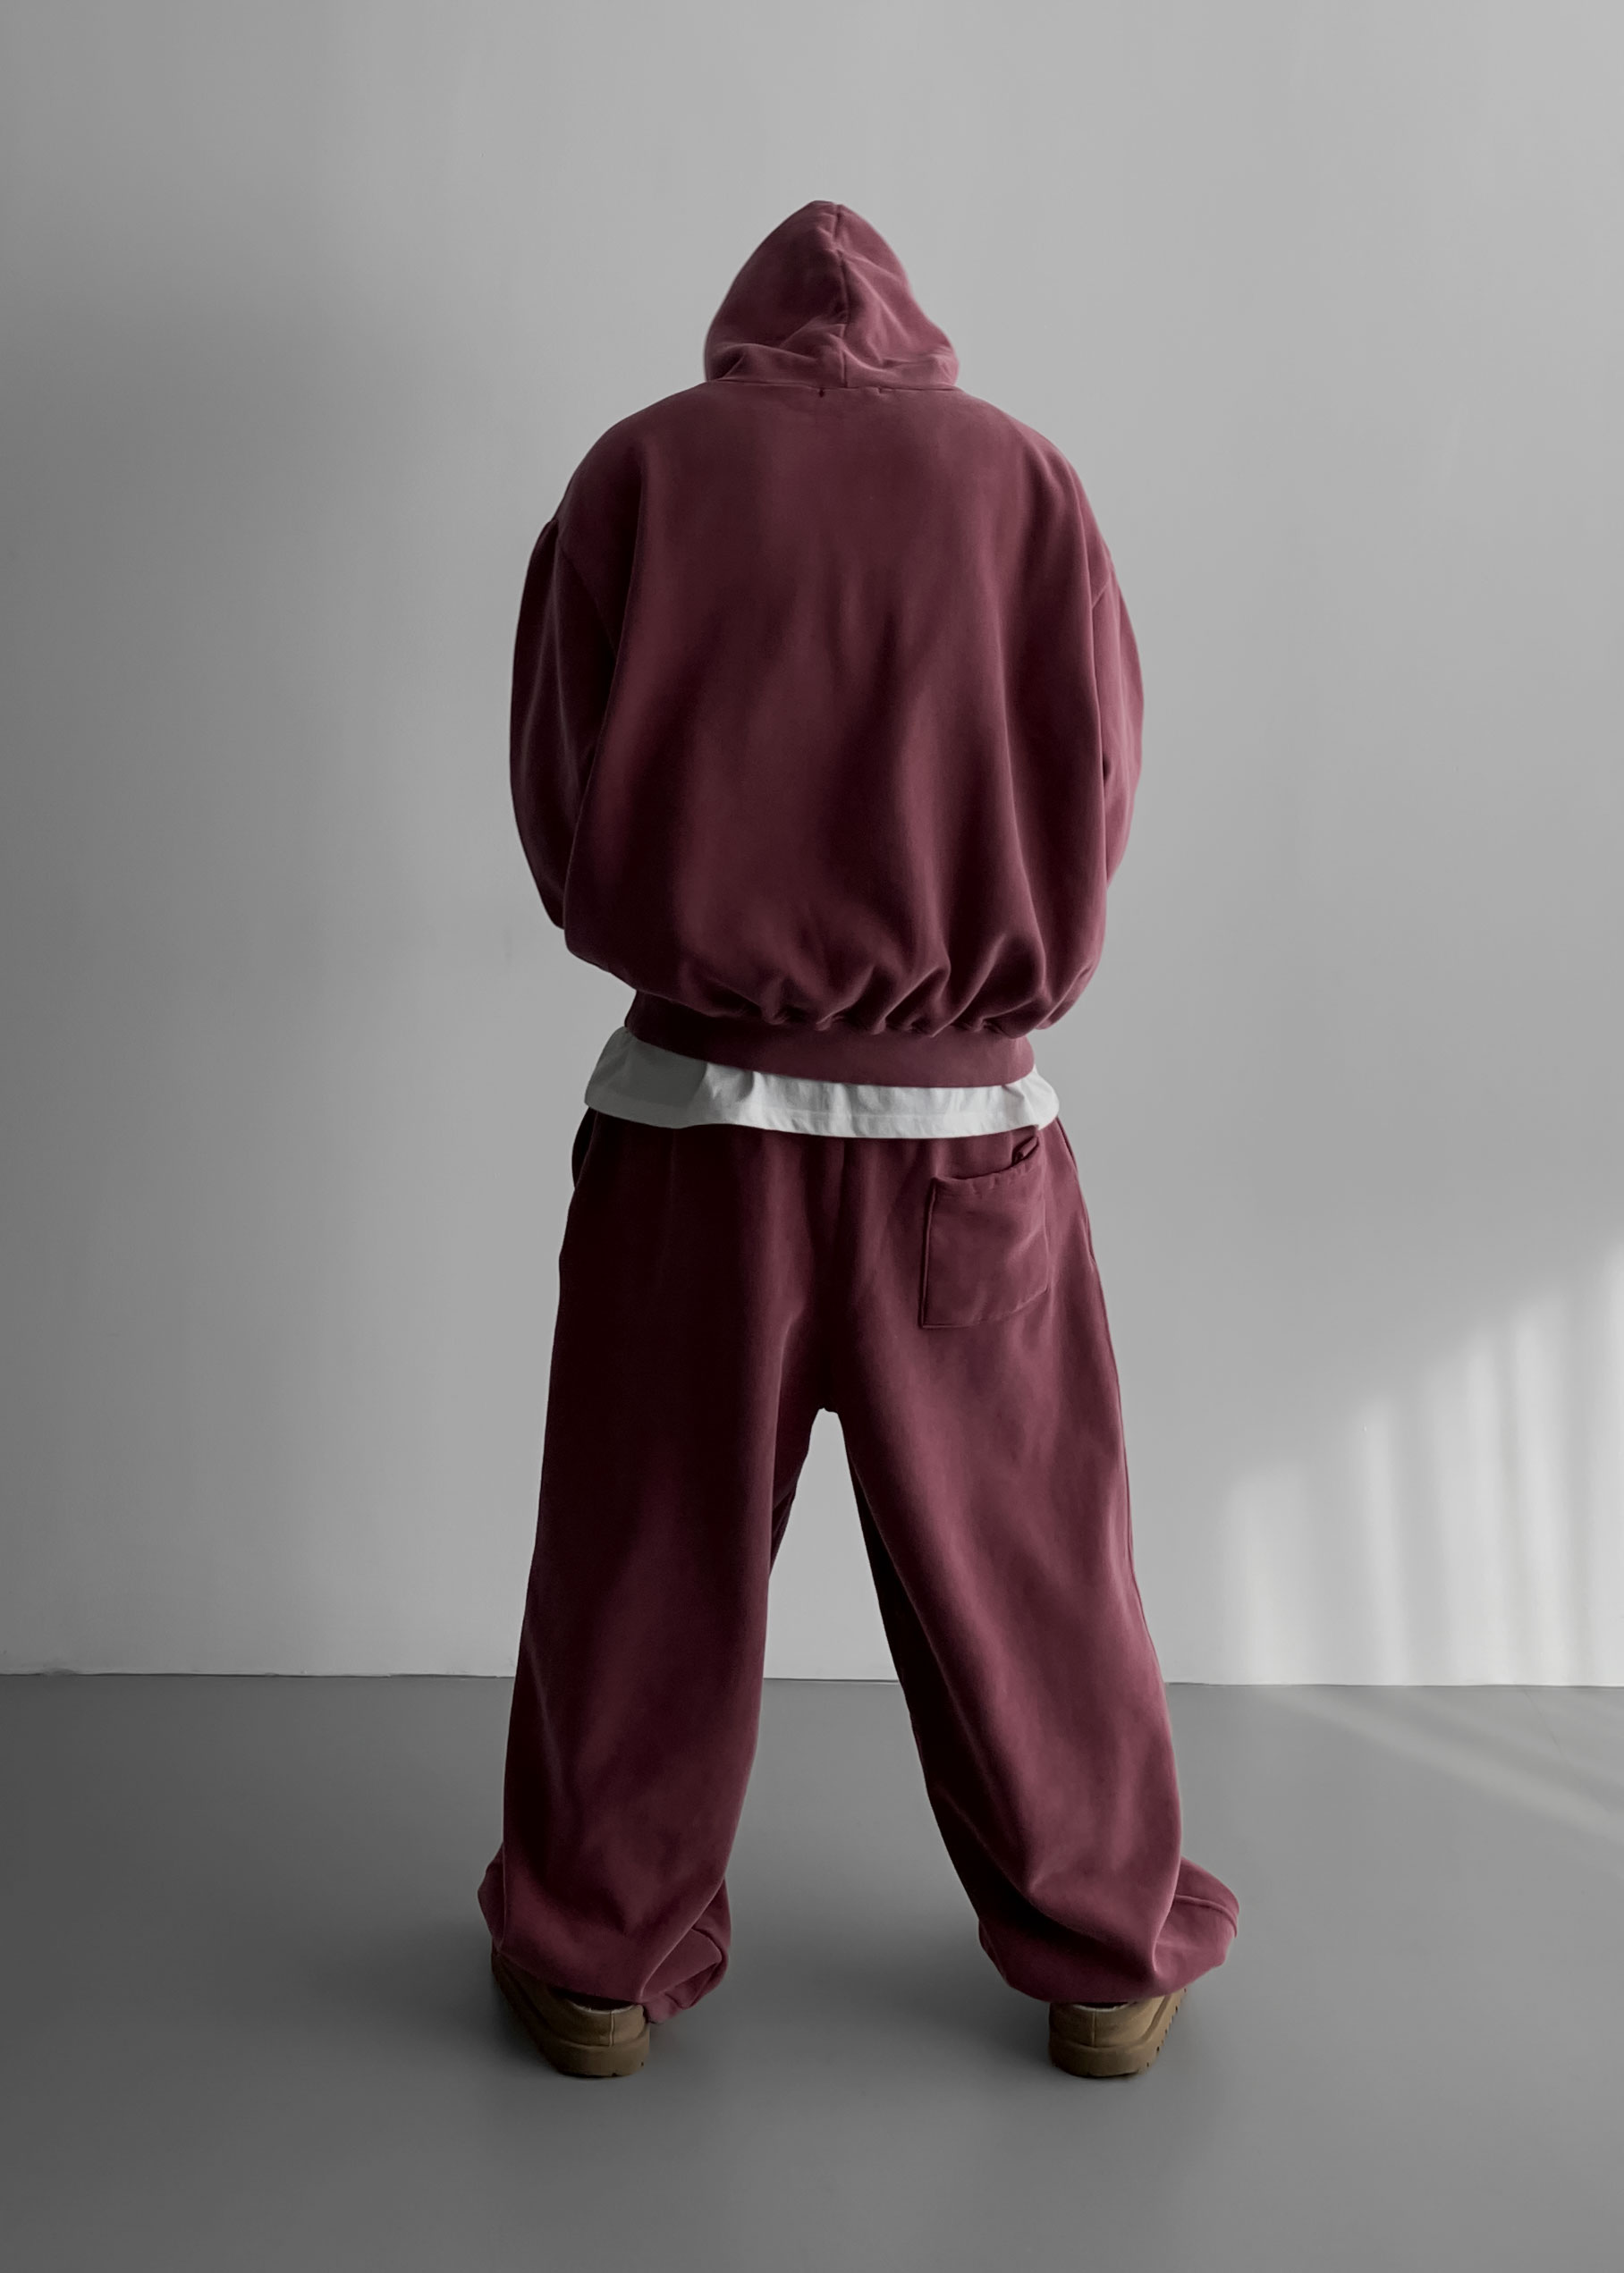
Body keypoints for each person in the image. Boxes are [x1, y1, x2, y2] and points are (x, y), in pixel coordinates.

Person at [479, 201, 1239, 2082]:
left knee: (643, 1558)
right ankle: (1099, 1955)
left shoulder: (638, 474)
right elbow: (1098, 785)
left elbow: (559, 795)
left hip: (692, 1126)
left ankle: (593, 1952)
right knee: (1033, 1563)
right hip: (965, 1134)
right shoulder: (1027, 486)